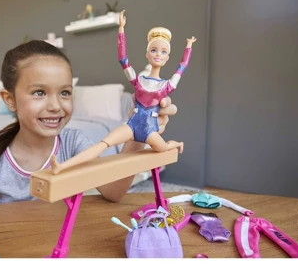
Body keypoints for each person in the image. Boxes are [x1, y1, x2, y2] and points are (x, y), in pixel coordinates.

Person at [0, 39, 177, 210]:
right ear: (9, 100)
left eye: (65, 93)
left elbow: (114, 192)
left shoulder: (74, 144)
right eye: (39, 92)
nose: (55, 106)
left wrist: (137, 132)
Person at [50, 9, 196, 175]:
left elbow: (182, 67)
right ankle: (61, 167)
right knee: (103, 144)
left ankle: (177, 144)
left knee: (165, 147)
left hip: (150, 131)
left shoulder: (166, 85)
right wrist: (121, 29)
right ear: (147, 53)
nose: (158, 54)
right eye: (154, 50)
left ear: (167, 57)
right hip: (131, 126)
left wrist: (188, 47)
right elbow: (122, 59)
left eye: (163, 52)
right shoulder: (137, 80)